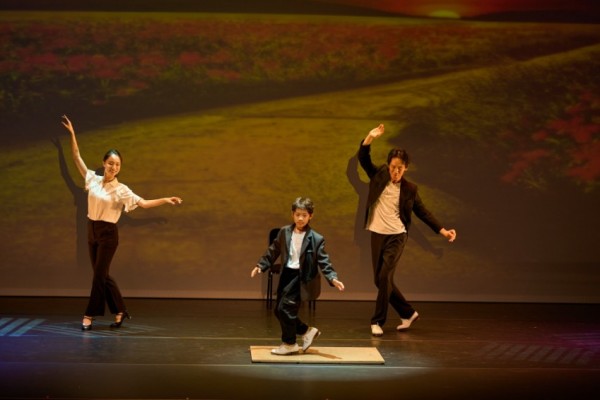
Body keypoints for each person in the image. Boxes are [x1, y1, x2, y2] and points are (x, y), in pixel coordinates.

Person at [61, 115, 183, 331]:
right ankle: (120, 310)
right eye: (110, 163)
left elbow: (143, 203)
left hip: (108, 234)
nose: (114, 167)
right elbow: (76, 156)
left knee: (98, 277)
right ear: (104, 163)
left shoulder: (121, 190)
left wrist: (165, 199)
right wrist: (72, 134)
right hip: (91, 230)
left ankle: (89, 315)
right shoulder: (92, 179)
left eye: (117, 164)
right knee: (102, 275)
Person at [358, 124, 457, 337]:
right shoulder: (379, 175)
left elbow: (422, 212)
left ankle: (377, 321)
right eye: (393, 167)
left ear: (406, 168)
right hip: (377, 234)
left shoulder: (410, 189)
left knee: (385, 276)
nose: (395, 172)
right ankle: (408, 313)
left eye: (400, 168)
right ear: (388, 165)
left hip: (397, 236)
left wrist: (443, 231)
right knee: (379, 280)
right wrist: (370, 137)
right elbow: (363, 159)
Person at [251, 197, 345, 355]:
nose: (300, 218)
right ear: (292, 215)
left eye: (304, 215)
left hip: (301, 278)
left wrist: (332, 277)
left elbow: (324, 260)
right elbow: (273, 250)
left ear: (310, 216)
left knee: (285, 309)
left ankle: (289, 343)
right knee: (278, 310)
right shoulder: (284, 232)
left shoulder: (316, 238)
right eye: (297, 215)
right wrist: (261, 265)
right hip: (286, 274)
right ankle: (306, 331)